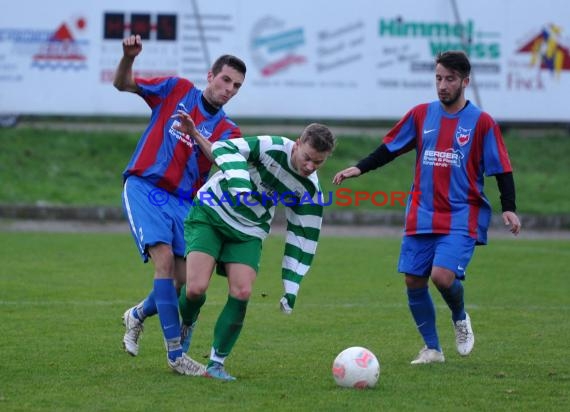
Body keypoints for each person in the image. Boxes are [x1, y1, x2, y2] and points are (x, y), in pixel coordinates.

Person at [333, 50, 521, 365]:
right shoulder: (422, 115)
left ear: (465, 81)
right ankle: (432, 349)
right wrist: (359, 168)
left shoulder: (482, 122)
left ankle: (460, 318)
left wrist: (509, 206)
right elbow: (390, 148)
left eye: (449, 79)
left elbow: (502, 167)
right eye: (438, 78)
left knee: (443, 276)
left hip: (462, 213)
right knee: (413, 280)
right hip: (422, 212)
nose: (442, 85)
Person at [113, 34, 246, 375]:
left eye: (236, 85)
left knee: (183, 281)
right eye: (225, 80)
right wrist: (129, 58)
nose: (229, 88)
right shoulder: (177, 89)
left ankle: (137, 315)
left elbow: (219, 159)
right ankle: (176, 356)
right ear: (210, 76)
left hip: (184, 203)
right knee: (164, 265)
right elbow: (122, 84)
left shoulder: (230, 130)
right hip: (146, 187)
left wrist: (194, 131)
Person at [171, 117, 336, 380]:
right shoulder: (270, 146)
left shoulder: (309, 188)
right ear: (297, 144)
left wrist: (291, 286)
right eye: (307, 157)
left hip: (249, 229)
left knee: (243, 291)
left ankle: (216, 364)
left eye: (318, 162)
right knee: (195, 289)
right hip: (211, 212)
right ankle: (187, 323)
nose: (310, 166)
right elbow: (225, 149)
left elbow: (304, 236)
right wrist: (240, 185)